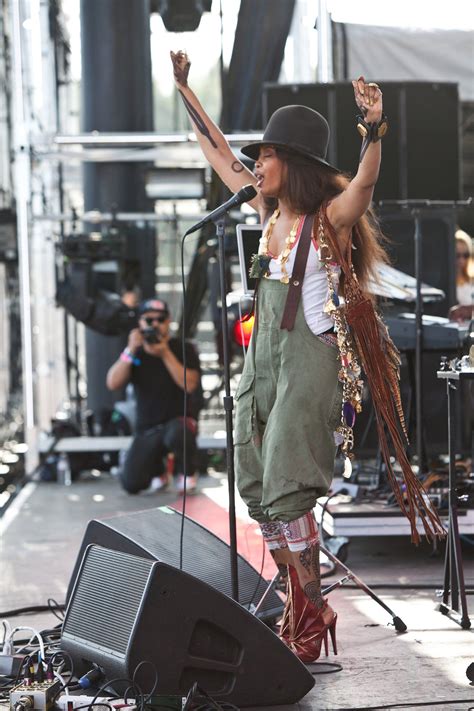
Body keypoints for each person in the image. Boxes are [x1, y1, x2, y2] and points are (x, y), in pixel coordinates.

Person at [170, 51, 443, 663]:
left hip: (308, 365)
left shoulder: (328, 219)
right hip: (261, 363)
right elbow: (217, 151)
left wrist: (372, 133)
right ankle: (303, 602)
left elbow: (366, 184)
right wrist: (185, 89)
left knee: (290, 486)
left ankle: (311, 606)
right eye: (258, 157)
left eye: (266, 156)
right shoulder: (264, 212)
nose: (256, 164)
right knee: (259, 486)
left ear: (289, 164)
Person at [106, 297, 201, 494]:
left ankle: (187, 472)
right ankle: (159, 471)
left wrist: (164, 352)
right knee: (131, 483)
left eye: (160, 319)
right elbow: (112, 383)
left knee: (178, 433)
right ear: (140, 323)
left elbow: (190, 385)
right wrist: (130, 349)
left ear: (168, 321)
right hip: (148, 429)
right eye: (149, 320)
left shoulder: (184, 348)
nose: (155, 324)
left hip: (178, 423)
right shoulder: (135, 353)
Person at [449, 228, 473, 323]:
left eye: (465, 255)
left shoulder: (471, 280)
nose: (461, 260)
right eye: (457, 255)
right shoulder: (446, 281)